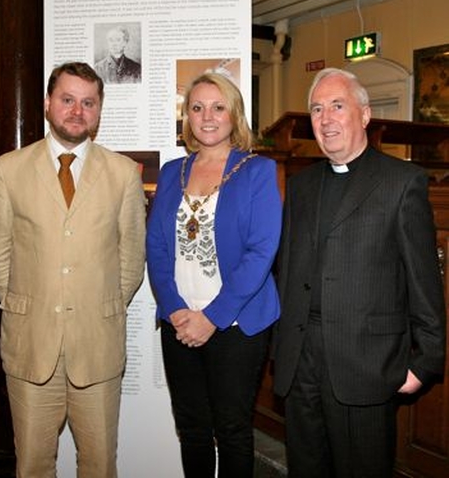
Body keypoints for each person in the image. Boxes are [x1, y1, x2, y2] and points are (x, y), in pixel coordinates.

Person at [273, 67, 447, 478]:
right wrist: (280, 349)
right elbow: (287, 272)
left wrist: (425, 362)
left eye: (337, 106)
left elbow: (424, 280)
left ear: (364, 115)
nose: (326, 119)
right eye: (317, 109)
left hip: (366, 363)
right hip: (301, 362)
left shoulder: (402, 183)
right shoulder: (301, 185)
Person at [0, 61, 146, 477]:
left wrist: (97, 305)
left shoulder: (124, 174)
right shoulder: (9, 169)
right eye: (67, 100)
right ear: (47, 104)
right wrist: (24, 305)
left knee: (99, 464)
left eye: (87, 102)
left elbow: (131, 261)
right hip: (32, 346)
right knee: (33, 465)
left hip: (98, 347)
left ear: (99, 110)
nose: (77, 111)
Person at [146, 71, 282, 477]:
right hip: (179, 322)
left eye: (218, 107)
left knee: (233, 429)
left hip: (237, 324)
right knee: (192, 429)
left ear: (234, 114)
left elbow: (261, 251)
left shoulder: (258, 171)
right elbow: (155, 246)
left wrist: (212, 318)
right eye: (197, 107)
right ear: (186, 116)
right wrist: (174, 310)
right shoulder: (173, 172)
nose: (207, 116)